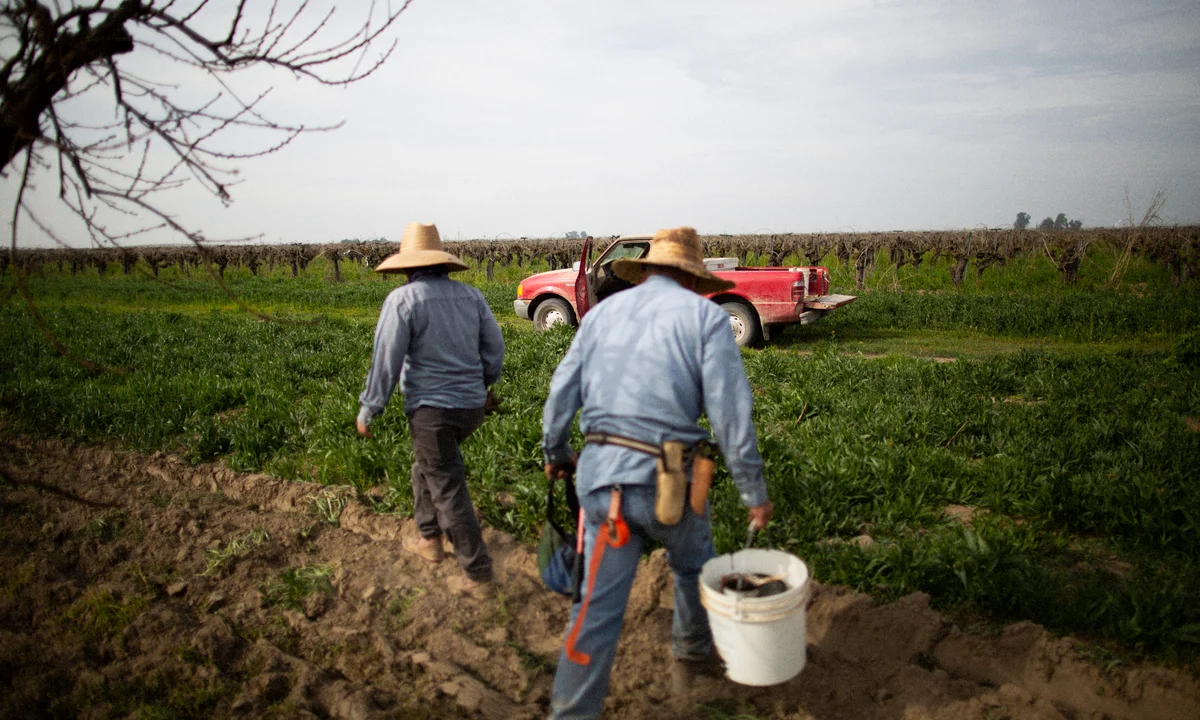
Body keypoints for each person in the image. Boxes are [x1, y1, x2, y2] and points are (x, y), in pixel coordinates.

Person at [542, 226, 774, 718]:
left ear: (644, 270)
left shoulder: (602, 315)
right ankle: (689, 658)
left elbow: (562, 391)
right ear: (692, 279)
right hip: (671, 481)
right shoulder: (706, 319)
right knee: (692, 562)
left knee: (597, 610)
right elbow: (732, 418)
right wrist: (754, 491)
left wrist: (555, 450)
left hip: (605, 484)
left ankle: (571, 712)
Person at [356, 222, 505, 599]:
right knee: (427, 466)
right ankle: (429, 539)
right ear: (442, 263)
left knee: (447, 485)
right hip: (471, 406)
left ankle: (478, 574)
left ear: (408, 266)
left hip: (432, 410)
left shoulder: (402, 301)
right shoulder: (471, 296)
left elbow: (385, 360)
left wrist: (369, 408)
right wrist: (486, 383)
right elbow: (495, 346)